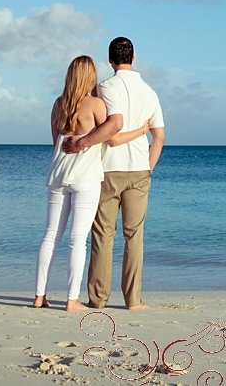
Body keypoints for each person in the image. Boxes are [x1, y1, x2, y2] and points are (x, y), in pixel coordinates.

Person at [33, 56, 149, 311]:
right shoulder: (96, 104)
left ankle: (39, 296)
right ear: (90, 76)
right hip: (85, 177)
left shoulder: (58, 104)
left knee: (50, 236)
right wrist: (142, 131)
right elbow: (113, 130)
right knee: (78, 240)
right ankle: (72, 300)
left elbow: (55, 142)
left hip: (58, 175)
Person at [70, 37, 165, 310]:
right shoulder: (150, 92)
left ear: (110, 60)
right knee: (134, 236)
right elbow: (159, 137)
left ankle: (97, 299)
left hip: (108, 169)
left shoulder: (103, 88)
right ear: (133, 58)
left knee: (103, 235)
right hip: (139, 169)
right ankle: (133, 300)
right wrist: (147, 168)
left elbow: (108, 132)